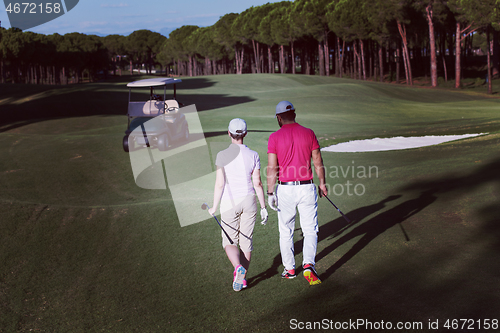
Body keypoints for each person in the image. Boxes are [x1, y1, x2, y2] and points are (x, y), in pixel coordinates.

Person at [266, 101, 327, 286]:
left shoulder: (274, 137)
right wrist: (322, 184)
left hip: (285, 188)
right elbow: (317, 160)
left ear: (278, 117)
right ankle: (308, 264)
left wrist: (270, 192)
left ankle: (290, 269)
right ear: (294, 114)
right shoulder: (309, 132)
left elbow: (272, 167)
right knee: (310, 230)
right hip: (307, 186)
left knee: (286, 231)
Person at [208, 118, 268, 291]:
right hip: (249, 201)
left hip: (229, 202)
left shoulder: (222, 155)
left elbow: (220, 184)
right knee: (246, 242)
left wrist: (213, 207)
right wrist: (263, 207)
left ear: (229, 133)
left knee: (229, 241)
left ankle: (237, 268)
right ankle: (242, 278)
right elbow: (257, 183)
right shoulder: (254, 154)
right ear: (245, 134)